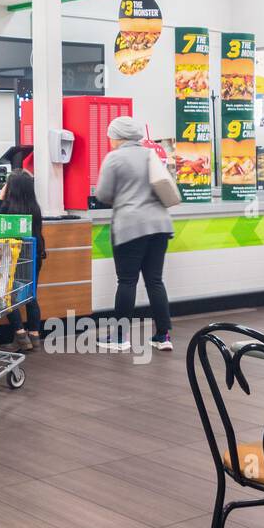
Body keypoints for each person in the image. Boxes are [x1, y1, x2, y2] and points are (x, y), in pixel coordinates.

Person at [93, 116, 174, 352]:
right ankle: (163, 335)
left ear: (117, 137)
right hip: (160, 226)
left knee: (127, 281)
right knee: (155, 281)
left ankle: (119, 337)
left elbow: (103, 194)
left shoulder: (114, 158)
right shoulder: (151, 155)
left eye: (110, 136)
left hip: (130, 227)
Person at [0, 169, 45, 350]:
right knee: (31, 296)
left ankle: (20, 335)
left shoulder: (8, 208)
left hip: (14, 257)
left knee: (8, 295)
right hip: (34, 256)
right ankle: (35, 336)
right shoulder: (35, 208)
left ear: (11, 189)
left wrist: (1, 198)